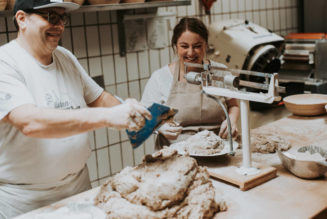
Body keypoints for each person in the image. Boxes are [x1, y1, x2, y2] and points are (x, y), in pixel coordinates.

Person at [0, 1, 152, 218]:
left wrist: (138, 114)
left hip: (78, 189)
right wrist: (109, 117)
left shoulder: (65, 57)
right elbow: (30, 123)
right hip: (26, 201)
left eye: (62, 18)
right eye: (51, 16)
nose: (60, 25)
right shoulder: (5, 62)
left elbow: (99, 98)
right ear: (22, 19)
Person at [141, 17, 240, 149]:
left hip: (218, 147)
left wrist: (231, 121)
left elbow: (233, 105)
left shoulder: (220, 72)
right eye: (184, 46)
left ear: (206, 45)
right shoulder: (161, 77)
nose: (191, 52)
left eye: (197, 46)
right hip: (176, 152)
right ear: (175, 46)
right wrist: (159, 127)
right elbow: (144, 117)